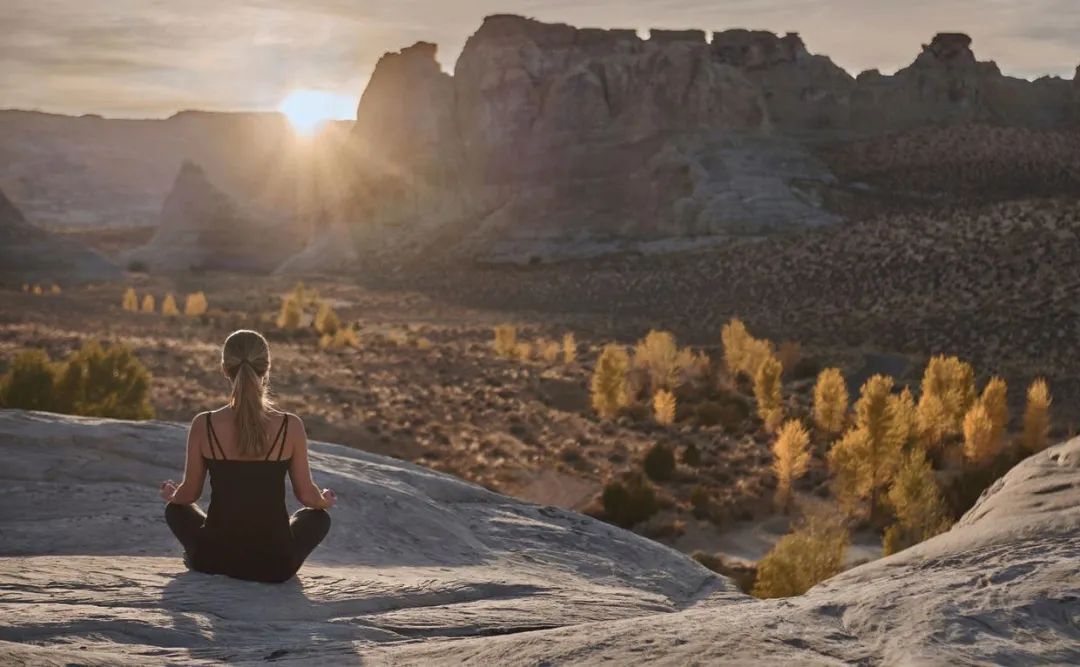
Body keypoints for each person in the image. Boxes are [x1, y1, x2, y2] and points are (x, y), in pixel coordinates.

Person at [160, 329, 335, 583]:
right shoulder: (290, 426)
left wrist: (171, 495)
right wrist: (324, 501)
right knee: (317, 519)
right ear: (267, 368)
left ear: (224, 369)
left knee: (175, 511)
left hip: (213, 559)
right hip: (275, 565)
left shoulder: (204, 424)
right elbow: (307, 496)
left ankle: (196, 554)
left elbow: (189, 494)